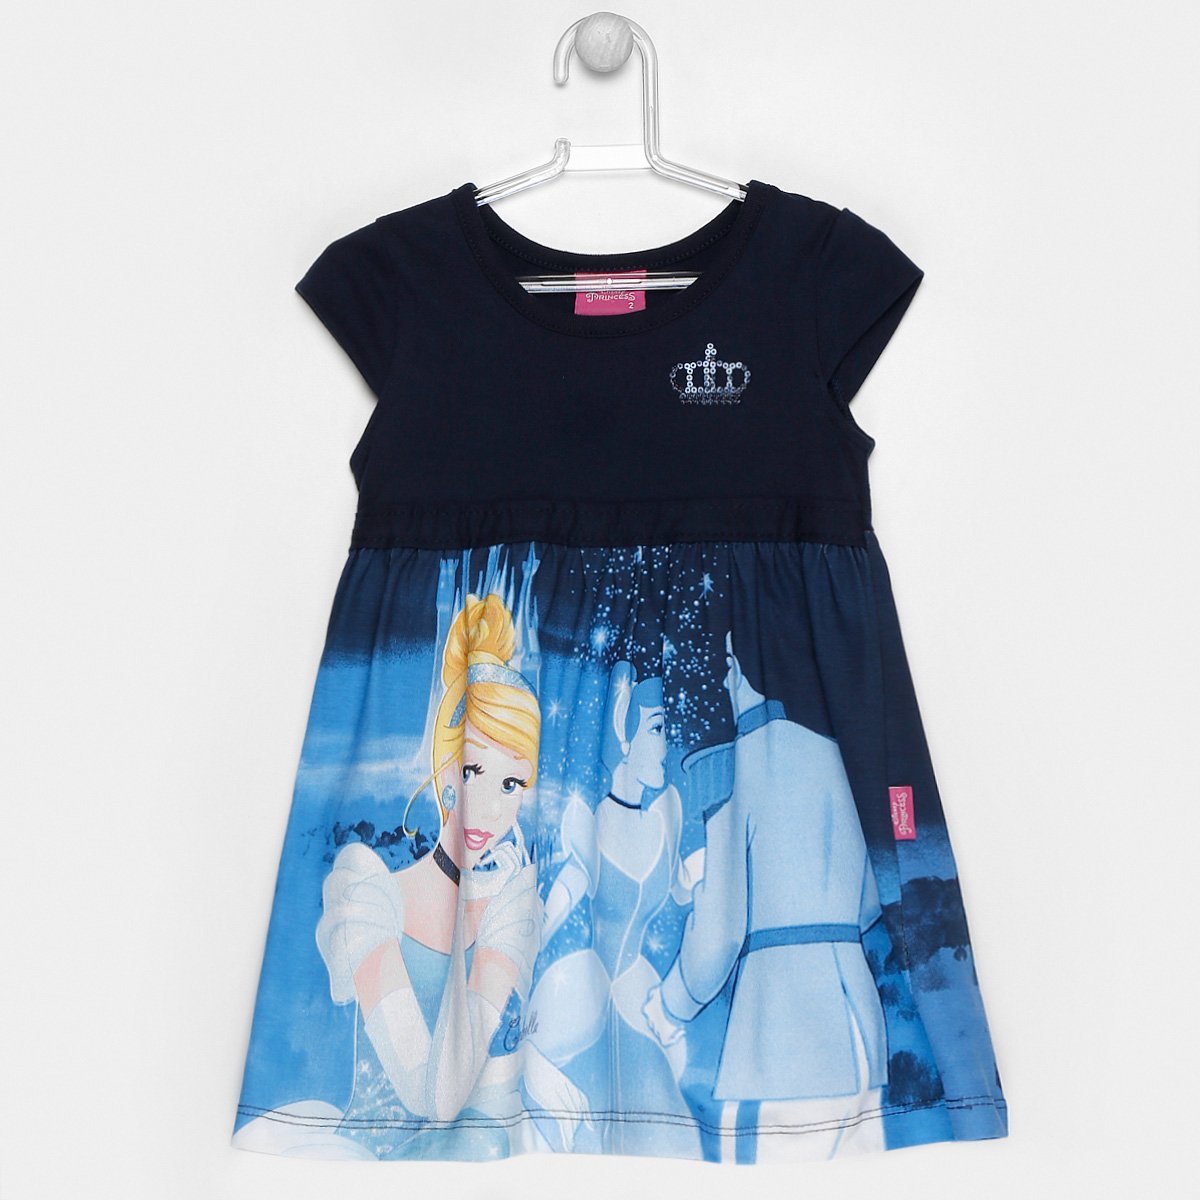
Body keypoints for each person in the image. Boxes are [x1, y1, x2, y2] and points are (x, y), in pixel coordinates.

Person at [642, 631, 890, 1160]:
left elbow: (720, 931)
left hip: (781, 1030)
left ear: (745, 666)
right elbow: (872, 898)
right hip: (859, 1023)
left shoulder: (735, 769)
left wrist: (670, 1005)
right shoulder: (834, 753)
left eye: (730, 662)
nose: (724, 675)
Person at [529, 660, 704, 1157]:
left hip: (636, 982)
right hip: (580, 982)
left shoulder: (667, 815)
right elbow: (565, 892)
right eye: (657, 729)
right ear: (625, 733)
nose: (665, 746)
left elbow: (688, 894)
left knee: (671, 1124)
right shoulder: (588, 820)